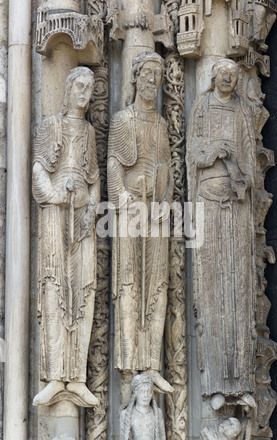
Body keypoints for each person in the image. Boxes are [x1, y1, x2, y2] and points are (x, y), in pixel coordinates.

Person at [186, 58, 257, 406]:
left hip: (236, 207)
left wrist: (242, 183)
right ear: (212, 78)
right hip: (208, 205)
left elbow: (250, 153)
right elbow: (192, 153)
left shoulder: (241, 110)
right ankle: (214, 382)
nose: (228, 77)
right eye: (222, 73)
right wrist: (211, 152)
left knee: (238, 288)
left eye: (233, 74)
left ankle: (241, 382)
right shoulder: (201, 106)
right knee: (212, 288)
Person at [32, 66, 100, 407]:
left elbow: (95, 178)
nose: (84, 93)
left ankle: (77, 376)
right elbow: (38, 169)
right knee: (55, 286)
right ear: (68, 89)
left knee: (84, 289)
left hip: (82, 216)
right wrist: (57, 194)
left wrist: (91, 207)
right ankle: (55, 375)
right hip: (56, 215)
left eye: (90, 88)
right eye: (79, 86)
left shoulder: (88, 131)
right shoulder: (51, 125)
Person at [107, 51, 174, 396]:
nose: (152, 82)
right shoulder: (122, 120)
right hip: (130, 211)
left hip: (155, 213)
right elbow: (115, 165)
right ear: (134, 78)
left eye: (157, 77)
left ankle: (152, 364)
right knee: (130, 282)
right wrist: (124, 199)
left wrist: (164, 202)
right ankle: (131, 362)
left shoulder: (161, 124)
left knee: (158, 284)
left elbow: (165, 166)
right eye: (147, 75)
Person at [120, 374, 166, 440]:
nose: (146, 395)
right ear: (135, 394)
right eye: (142, 392)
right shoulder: (126, 414)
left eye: (148, 392)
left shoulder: (157, 413)